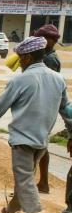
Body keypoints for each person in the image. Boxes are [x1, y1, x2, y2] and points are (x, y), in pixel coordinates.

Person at [0, 36, 72, 213]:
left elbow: (0, 105)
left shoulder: (20, 80)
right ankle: (12, 209)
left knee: (24, 180)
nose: (19, 63)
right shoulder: (58, 79)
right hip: (42, 140)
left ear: (27, 58)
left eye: (20, 59)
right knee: (25, 177)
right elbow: (66, 109)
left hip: (23, 141)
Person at [35, 24, 62, 195]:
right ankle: (41, 183)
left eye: (43, 39)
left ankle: (41, 183)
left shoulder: (50, 60)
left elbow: (46, 85)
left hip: (43, 107)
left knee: (37, 145)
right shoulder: (46, 56)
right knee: (40, 145)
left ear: (51, 41)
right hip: (42, 106)